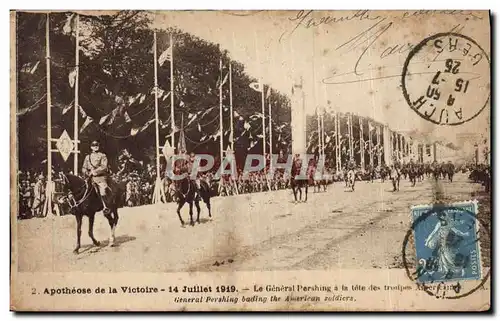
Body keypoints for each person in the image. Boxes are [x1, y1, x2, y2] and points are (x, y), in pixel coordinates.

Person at [82, 141, 112, 214]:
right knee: (82, 190)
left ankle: (105, 206)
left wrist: (95, 172)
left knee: (102, 192)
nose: (95, 147)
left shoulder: (102, 155)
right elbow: (84, 167)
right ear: (91, 147)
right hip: (90, 178)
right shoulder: (87, 157)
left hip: (100, 178)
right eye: (93, 145)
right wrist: (86, 172)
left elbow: (104, 166)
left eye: (97, 145)